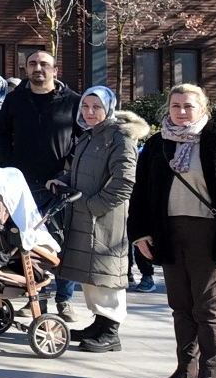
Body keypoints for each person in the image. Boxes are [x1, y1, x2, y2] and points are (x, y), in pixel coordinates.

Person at [129, 83, 216, 378]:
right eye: (176, 106)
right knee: (181, 306)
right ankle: (185, 370)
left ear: (203, 108)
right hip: (169, 232)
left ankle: (209, 376)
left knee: (207, 308)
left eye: (188, 106)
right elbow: (142, 191)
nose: (182, 111)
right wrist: (140, 231)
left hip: (209, 234)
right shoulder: (160, 144)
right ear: (168, 109)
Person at [51, 85, 147, 353]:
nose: (90, 112)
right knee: (91, 275)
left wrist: (94, 206)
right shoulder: (90, 136)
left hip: (104, 219)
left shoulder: (119, 137)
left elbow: (125, 181)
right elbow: (80, 171)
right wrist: (61, 181)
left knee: (106, 275)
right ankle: (99, 323)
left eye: (97, 107)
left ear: (109, 108)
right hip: (84, 215)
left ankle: (111, 331)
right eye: (86, 106)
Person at [0, 49, 81, 319]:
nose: (38, 68)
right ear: (25, 69)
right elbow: (2, 137)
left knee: (63, 244)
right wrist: (10, 171)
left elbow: (83, 139)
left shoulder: (73, 101)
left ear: (55, 69)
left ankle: (64, 299)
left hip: (60, 187)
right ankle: (35, 297)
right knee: (26, 245)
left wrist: (69, 170)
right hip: (23, 188)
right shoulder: (14, 100)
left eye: (44, 64)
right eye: (32, 64)